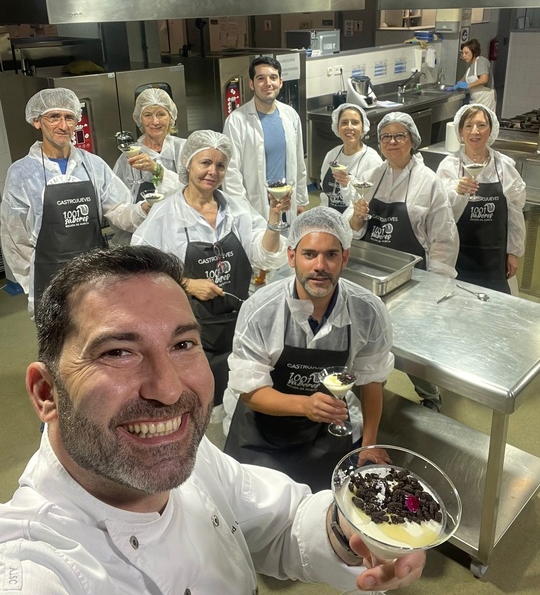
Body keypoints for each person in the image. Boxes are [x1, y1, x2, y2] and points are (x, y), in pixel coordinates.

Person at [0, 246, 426, 594]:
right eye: (117, 352)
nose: (168, 391)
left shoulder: (193, 453)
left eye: (183, 344)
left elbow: (283, 524)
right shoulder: (35, 566)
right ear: (45, 393)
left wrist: (351, 528)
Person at [223, 207, 394, 492]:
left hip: (324, 432)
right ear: (292, 257)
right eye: (309, 254)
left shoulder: (367, 311)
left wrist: (369, 444)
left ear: (345, 258)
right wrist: (306, 406)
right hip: (261, 433)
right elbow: (250, 391)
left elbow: (371, 380)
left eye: (331, 255)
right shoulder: (261, 309)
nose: (320, 266)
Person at [132, 130, 288, 409]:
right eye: (205, 163)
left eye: (220, 165)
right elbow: (141, 269)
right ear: (187, 164)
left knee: (241, 398)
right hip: (189, 332)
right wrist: (186, 283)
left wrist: (274, 220)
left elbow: (265, 255)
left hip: (239, 324)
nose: (212, 171)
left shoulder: (237, 210)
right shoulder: (165, 215)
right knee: (199, 402)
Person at [344, 112, 459, 412]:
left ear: (412, 140)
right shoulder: (371, 177)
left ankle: (429, 395)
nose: (392, 142)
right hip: (375, 272)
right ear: (379, 142)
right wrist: (356, 218)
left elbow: (443, 238)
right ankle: (371, 393)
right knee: (371, 340)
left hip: (413, 277)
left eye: (399, 136)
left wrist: (439, 281)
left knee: (412, 343)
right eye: (386, 137)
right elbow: (353, 230)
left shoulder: (429, 182)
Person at [0, 88, 147, 316]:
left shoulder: (93, 165)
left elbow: (119, 210)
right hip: (49, 280)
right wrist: (34, 284)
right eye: (53, 117)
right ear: (37, 121)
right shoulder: (22, 173)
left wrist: (144, 209)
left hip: (96, 277)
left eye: (69, 117)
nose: (63, 125)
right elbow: (15, 238)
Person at [436, 104, 526, 294]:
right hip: (458, 256)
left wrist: (514, 252)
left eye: (481, 125)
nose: (474, 132)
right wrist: (456, 192)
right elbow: (440, 216)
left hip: (495, 258)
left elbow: (515, 214)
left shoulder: (504, 167)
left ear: (491, 129)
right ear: (460, 131)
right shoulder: (449, 166)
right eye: (468, 126)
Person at [223, 55, 309, 223]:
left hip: (286, 203)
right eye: (260, 78)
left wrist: (300, 200)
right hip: (254, 208)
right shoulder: (236, 120)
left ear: (280, 82)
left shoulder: (290, 115)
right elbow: (231, 172)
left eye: (273, 78)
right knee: (261, 247)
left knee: (286, 246)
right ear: (251, 84)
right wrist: (240, 211)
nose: (268, 83)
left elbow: (298, 162)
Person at [113, 87, 186, 203]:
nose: (155, 121)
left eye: (161, 114)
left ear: (171, 118)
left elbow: (194, 190)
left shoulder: (185, 149)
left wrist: (158, 171)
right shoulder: (128, 156)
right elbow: (117, 202)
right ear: (139, 119)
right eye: (147, 115)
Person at [320, 102, 382, 212]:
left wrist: (347, 184)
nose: (349, 127)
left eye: (355, 123)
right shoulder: (332, 155)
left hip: (357, 224)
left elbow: (372, 201)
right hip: (331, 220)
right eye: (344, 122)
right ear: (337, 127)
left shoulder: (372, 160)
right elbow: (325, 195)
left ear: (363, 128)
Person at [453, 38, 496, 111]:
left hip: (485, 100)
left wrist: (468, 85)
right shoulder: (470, 67)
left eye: (466, 53)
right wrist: (455, 87)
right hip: (475, 100)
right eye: (463, 53)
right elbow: (463, 80)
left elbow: (484, 79)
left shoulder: (482, 61)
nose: (464, 56)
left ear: (474, 52)